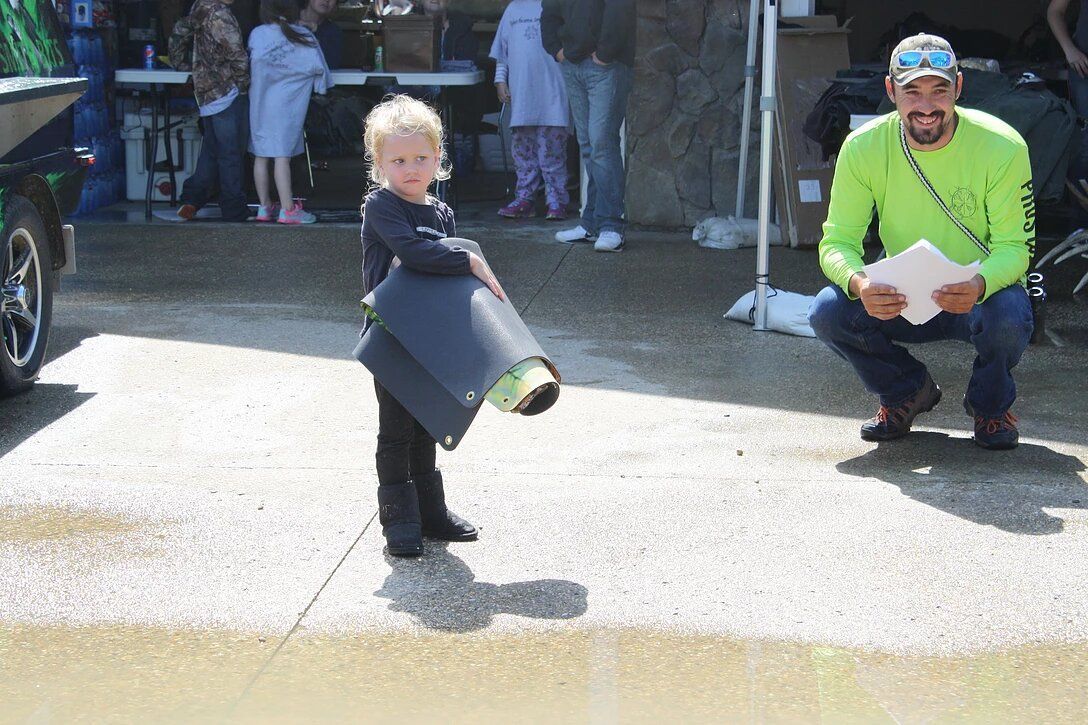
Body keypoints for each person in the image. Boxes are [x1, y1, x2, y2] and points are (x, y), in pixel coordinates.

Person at [807, 34, 1035, 450]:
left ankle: (990, 408)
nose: (926, 106)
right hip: (903, 297)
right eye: (912, 91)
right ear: (891, 90)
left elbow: (1016, 248)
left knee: (1009, 316)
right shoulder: (862, 148)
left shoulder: (1003, 146)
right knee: (827, 311)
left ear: (959, 89)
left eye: (939, 90)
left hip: (978, 294)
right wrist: (861, 284)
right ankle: (905, 392)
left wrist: (979, 284)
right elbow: (836, 242)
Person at [360, 95, 503, 556]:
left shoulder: (440, 213)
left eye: (421, 157)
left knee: (427, 423)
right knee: (396, 430)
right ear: (380, 163)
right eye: (398, 160)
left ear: (437, 158)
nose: (411, 168)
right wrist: (464, 258)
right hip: (392, 340)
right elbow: (420, 256)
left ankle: (430, 512)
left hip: (431, 340)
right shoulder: (381, 207)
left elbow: (437, 276)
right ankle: (398, 518)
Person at [541, 0, 635, 252]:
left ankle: (612, 226)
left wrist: (605, 54)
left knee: (601, 144)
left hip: (607, 65)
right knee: (589, 145)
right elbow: (549, 12)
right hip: (574, 64)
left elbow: (620, 10)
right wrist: (556, 50)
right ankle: (591, 223)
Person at [248, 0, 332, 224]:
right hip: (287, 107)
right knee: (282, 157)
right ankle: (288, 209)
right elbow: (321, 72)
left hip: (259, 105)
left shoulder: (257, 34)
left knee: (261, 155)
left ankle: (264, 208)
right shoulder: (303, 36)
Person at [490, 0, 571, 220]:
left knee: (552, 153)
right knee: (523, 153)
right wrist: (500, 81)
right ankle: (525, 199)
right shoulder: (514, 9)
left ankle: (556, 200)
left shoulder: (558, 5)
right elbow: (502, 53)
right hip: (522, 95)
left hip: (553, 94)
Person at [175, 0, 251, 222]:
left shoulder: (200, 7)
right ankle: (233, 207)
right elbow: (237, 53)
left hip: (207, 94)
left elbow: (180, 33)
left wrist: (179, 64)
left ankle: (191, 200)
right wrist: (244, 84)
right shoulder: (220, 14)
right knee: (231, 154)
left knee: (211, 151)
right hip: (226, 92)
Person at [299, 0, 343, 69]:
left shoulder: (334, 32)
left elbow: (330, 67)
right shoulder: (286, 22)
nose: (327, 1)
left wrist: (316, 30)